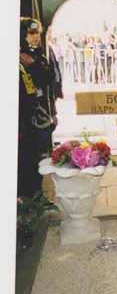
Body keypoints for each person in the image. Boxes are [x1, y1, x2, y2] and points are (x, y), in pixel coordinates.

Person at [18, 17, 57, 199]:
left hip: (35, 120)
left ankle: (35, 201)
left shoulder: (37, 55)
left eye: (37, 33)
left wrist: (34, 65)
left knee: (35, 164)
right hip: (22, 122)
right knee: (24, 167)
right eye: (31, 33)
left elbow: (49, 78)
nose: (36, 37)